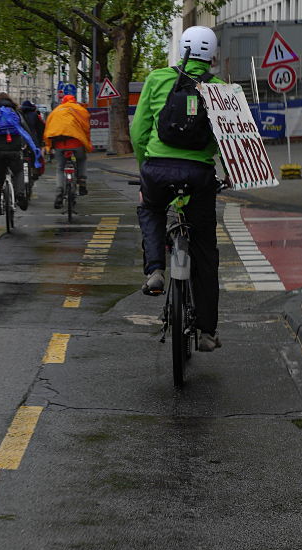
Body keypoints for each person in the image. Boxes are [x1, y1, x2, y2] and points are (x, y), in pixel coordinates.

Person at [130, 25, 223, 352]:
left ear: (180, 50)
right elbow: (233, 139)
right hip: (199, 175)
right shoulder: (223, 89)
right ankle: (208, 332)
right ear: (212, 55)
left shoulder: (156, 79)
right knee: (204, 251)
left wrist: (146, 167)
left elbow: (138, 130)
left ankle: (155, 270)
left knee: (152, 210)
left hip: (158, 169)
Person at [0, 93, 33, 216]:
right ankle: (20, 194)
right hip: (14, 149)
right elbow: (26, 129)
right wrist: (28, 146)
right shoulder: (16, 113)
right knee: (18, 172)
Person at [43, 85, 92, 208]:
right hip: (76, 143)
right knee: (81, 159)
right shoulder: (79, 109)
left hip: (59, 144)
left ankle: (59, 191)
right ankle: (82, 183)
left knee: (60, 168)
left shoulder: (55, 111)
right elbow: (86, 128)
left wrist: (48, 146)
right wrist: (88, 144)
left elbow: (48, 129)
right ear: (74, 100)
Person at [20, 99, 45, 179]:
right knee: (35, 154)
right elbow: (41, 129)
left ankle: (20, 171)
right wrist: (41, 141)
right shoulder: (35, 115)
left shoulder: (18, 114)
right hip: (33, 140)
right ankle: (35, 171)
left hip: (21, 139)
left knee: (20, 155)